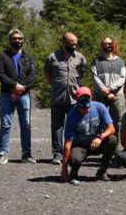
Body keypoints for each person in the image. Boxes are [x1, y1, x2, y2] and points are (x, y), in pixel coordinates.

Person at [60, 87, 118, 185]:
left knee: (112, 140)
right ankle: (73, 173)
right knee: (74, 159)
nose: (85, 110)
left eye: (87, 108)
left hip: (96, 143)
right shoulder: (72, 115)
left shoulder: (100, 107)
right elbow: (67, 142)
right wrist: (64, 167)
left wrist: (100, 137)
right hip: (80, 145)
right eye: (82, 108)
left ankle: (102, 170)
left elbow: (112, 128)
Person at [0, 29, 36, 165]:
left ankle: (26, 154)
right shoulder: (2, 56)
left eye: (19, 38)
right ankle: (2, 153)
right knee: (6, 124)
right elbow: (0, 74)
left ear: (23, 40)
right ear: (9, 40)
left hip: (24, 95)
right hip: (7, 94)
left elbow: (32, 76)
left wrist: (20, 88)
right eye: (14, 38)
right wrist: (14, 86)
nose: (17, 41)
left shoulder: (28, 57)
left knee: (26, 125)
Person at [45, 32, 86, 165]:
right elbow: (47, 76)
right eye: (70, 44)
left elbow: (82, 74)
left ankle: (74, 152)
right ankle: (57, 154)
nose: (73, 46)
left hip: (75, 99)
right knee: (57, 126)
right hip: (58, 98)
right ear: (63, 43)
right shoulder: (52, 58)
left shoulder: (80, 58)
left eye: (75, 44)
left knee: (76, 126)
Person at [91, 35, 126, 143]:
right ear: (102, 45)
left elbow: (122, 78)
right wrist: (105, 91)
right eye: (105, 44)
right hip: (100, 95)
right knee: (100, 121)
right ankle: (103, 148)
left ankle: (117, 149)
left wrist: (110, 89)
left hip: (117, 96)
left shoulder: (120, 61)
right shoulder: (96, 61)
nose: (107, 46)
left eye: (109, 43)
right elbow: (95, 77)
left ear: (113, 45)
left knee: (118, 122)